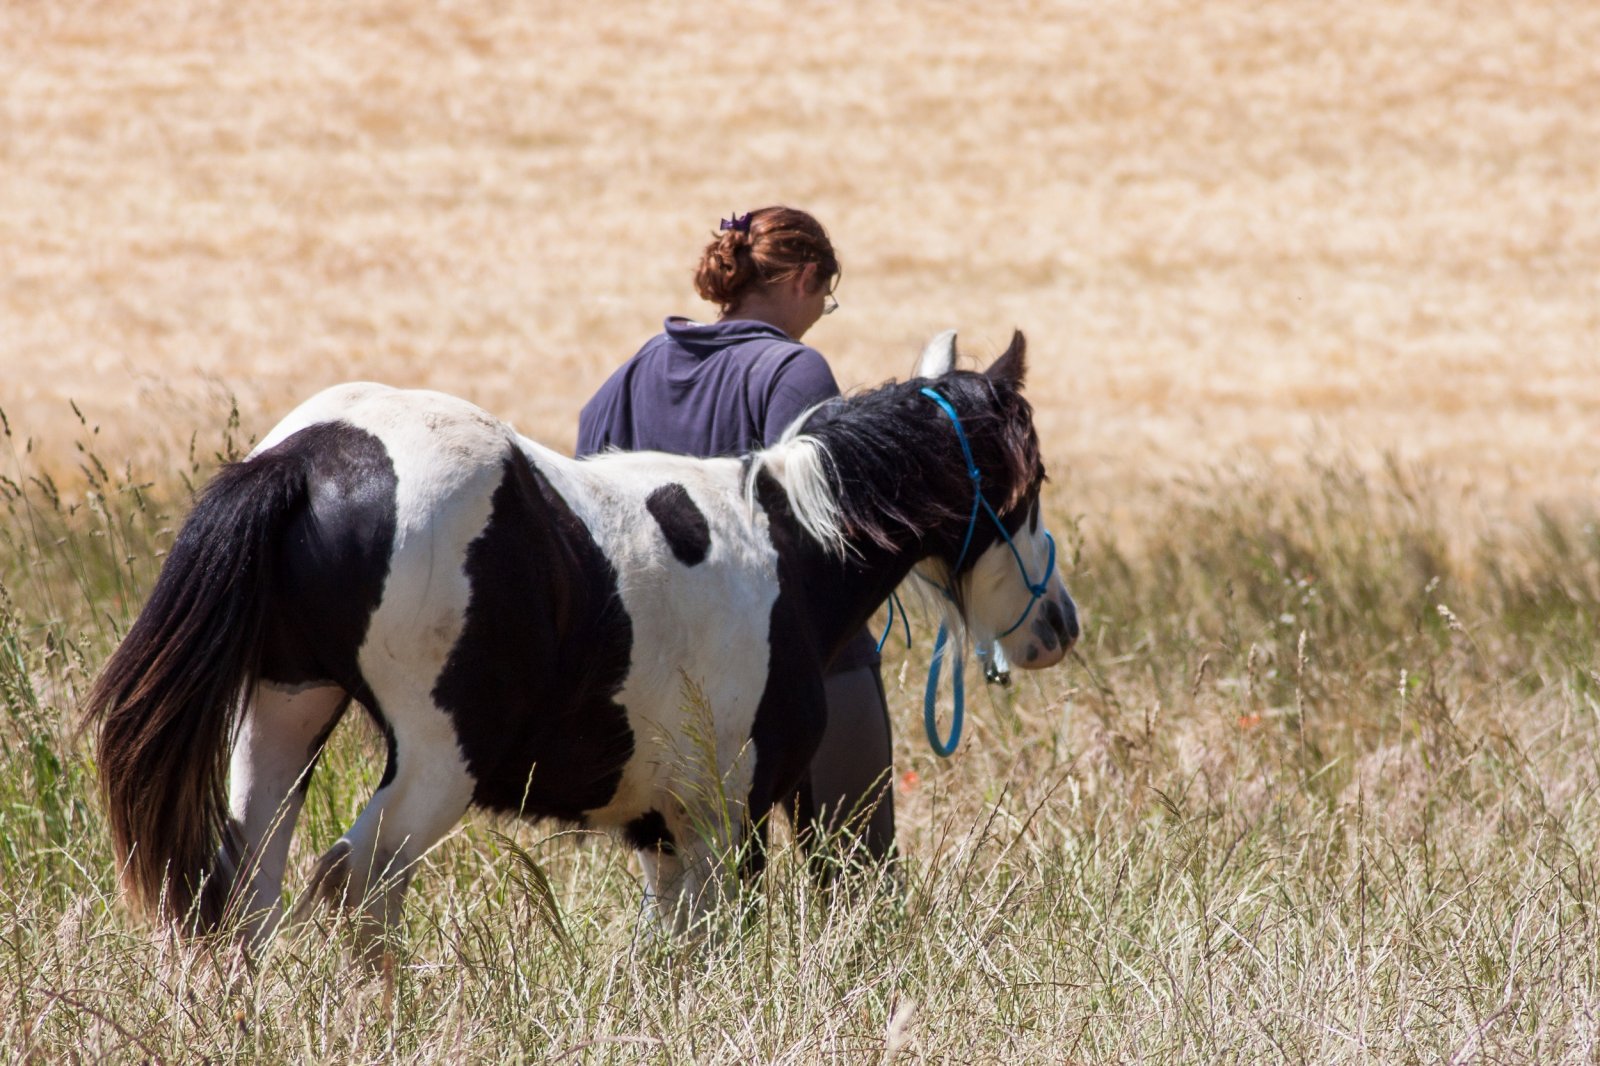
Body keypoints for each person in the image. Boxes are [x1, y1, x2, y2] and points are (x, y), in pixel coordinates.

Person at [577, 205, 894, 865]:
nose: (818, 316)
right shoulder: (793, 372)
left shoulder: (631, 375)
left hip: (666, 695)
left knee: (704, 904)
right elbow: (822, 527)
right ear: (806, 277)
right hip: (810, 671)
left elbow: (585, 512)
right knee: (856, 887)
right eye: (825, 301)